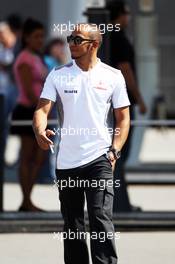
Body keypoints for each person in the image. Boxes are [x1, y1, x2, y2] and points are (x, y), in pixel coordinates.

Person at [33, 23, 130, 264]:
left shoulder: (113, 76)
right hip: (66, 161)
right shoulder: (58, 74)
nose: (71, 44)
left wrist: (115, 149)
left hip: (100, 159)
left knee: (100, 218)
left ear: (94, 44)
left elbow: (123, 117)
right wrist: (39, 130)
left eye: (77, 39)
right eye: (70, 38)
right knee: (73, 224)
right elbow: (42, 110)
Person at [107, 1, 147, 212]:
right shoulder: (119, 37)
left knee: (115, 151)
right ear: (119, 15)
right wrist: (139, 98)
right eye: (126, 13)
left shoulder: (107, 36)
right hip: (123, 102)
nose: (129, 17)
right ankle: (119, 202)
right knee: (120, 150)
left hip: (111, 101)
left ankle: (118, 201)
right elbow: (126, 70)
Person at [11, 18, 48, 211]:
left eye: (42, 36)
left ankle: (28, 199)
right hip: (28, 110)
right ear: (26, 37)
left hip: (39, 110)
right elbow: (28, 89)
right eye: (36, 36)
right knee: (27, 155)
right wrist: (41, 111)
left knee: (39, 157)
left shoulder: (37, 57)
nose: (40, 40)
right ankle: (26, 200)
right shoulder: (25, 59)